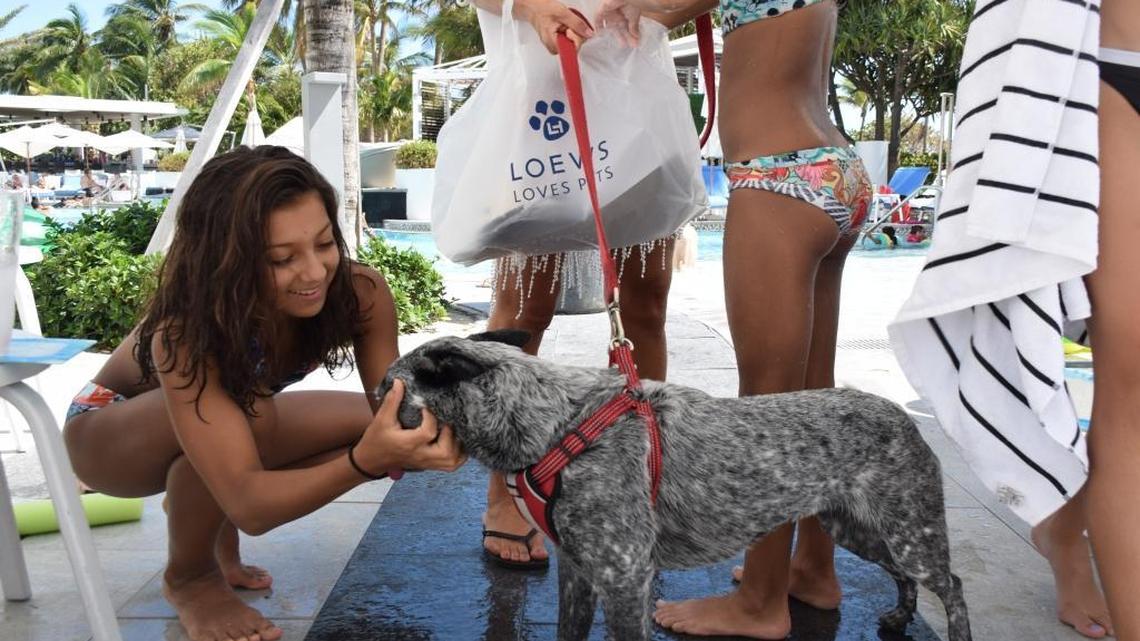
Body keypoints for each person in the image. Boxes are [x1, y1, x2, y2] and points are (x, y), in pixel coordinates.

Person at [61, 146, 466, 641]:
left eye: (324, 244)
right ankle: (191, 576)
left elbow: (393, 409)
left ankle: (202, 501)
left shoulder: (359, 293)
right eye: (281, 259)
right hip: (107, 436)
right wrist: (363, 463)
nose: (314, 272)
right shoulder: (187, 331)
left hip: (227, 412)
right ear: (224, 260)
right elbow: (253, 511)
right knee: (250, 428)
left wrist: (423, 437)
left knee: (383, 423)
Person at [596, 0, 873, 635]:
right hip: (837, 167)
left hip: (779, 175)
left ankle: (760, 604)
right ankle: (813, 571)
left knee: (767, 411)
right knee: (813, 399)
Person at [466, 0, 678, 570]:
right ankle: (503, 493)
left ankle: (639, 478)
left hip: (634, 91)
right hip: (535, 95)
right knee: (522, 314)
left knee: (646, 308)